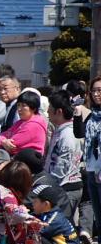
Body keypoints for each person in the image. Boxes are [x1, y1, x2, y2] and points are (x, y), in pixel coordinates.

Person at [73, 75, 101, 244]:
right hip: (91, 169)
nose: (97, 94)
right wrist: (76, 114)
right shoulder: (93, 115)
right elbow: (79, 133)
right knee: (99, 220)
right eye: (95, 90)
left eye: (100, 90)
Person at [46, 91, 83, 223]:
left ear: (59, 111)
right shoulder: (60, 130)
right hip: (60, 186)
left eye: (50, 107)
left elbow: (64, 163)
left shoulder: (68, 133)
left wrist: (48, 182)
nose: (47, 110)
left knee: (63, 228)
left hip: (66, 187)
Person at [0, 90, 47, 155]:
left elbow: (11, 146)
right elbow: (4, 134)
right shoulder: (20, 122)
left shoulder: (34, 125)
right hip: (15, 159)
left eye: (23, 106)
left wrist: (0, 141)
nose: (19, 109)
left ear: (33, 108)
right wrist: (3, 141)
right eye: (18, 105)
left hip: (27, 162)